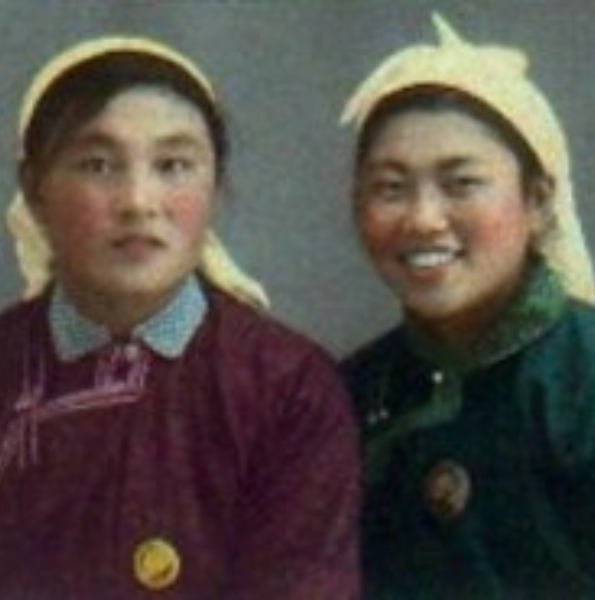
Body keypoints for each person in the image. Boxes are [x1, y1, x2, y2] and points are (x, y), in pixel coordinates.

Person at [0, 36, 359, 599]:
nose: (139, 200)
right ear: (35, 190)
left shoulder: (288, 388)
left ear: (215, 185)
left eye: (173, 165)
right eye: (98, 164)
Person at [340, 14, 595, 600]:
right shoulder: (347, 393)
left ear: (537, 202)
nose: (424, 218)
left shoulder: (587, 380)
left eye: (461, 183)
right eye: (390, 187)